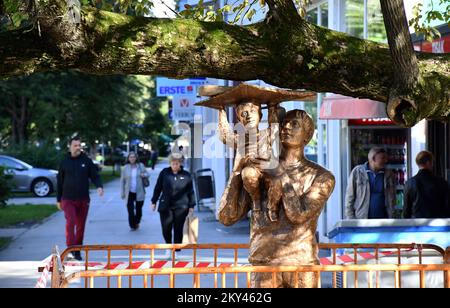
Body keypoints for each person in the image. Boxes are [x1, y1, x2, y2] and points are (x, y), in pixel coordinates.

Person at [218, 110, 335, 288]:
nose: (286, 127)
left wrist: (278, 173)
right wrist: (237, 168)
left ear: (307, 135)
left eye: (294, 124)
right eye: (283, 124)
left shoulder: (322, 176)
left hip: (301, 263)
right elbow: (226, 216)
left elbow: (298, 215)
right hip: (263, 261)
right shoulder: (258, 171)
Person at [218, 100, 282, 222]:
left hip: (269, 169)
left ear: (260, 115)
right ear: (239, 120)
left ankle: (272, 207)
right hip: (251, 170)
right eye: (244, 114)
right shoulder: (240, 139)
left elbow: (274, 127)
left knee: (277, 180)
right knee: (247, 174)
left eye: (253, 112)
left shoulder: (265, 134)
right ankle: (256, 201)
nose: (249, 116)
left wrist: (272, 106)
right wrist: (221, 110)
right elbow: (225, 135)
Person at [57, 136, 104, 261]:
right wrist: (58, 199)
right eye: (75, 145)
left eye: (79, 145)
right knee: (70, 222)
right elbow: (59, 182)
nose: (78, 148)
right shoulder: (64, 162)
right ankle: (70, 249)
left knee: (80, 226)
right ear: (70, 146)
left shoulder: (86, 161)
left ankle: (77, 251)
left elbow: (95, 175)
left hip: (83, 199)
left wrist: (99, 186)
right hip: (67, 199)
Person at [151, 153, 195, 254]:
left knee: (178, 229)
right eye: (173, 163)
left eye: (177, 163)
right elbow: (158, 187)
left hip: (181, 206)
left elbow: (190, 191)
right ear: (170, 163)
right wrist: (153, 201)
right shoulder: (164, 173)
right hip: (165, 205)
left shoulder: (186, 175)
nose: (175, 165)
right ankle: (168, 246)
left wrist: (191, 205)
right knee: (166, 228)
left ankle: (176, 249)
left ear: (180, 164)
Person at [345, 147, 396, 219]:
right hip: (361, 220)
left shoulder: (389, 174)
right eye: (383, 158)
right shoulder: (357, 172)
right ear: (373, 159)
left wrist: (392, 216)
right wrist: (350, 218)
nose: (386, 160)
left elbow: (392, 198)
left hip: (384, 220)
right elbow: (350, 197)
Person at [403, 151, 450, 218]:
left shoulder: (409, 183)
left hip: (416, 225)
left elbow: (406, 210)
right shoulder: (441, 182)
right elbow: (447, 206)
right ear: (428, 163)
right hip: (437, 224)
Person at [120, 152, 149, 230]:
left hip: (139, 192)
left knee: (139, 210)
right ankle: (132, 225)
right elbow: (122, 181)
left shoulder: (140, 166)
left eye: (133, 157)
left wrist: (144, 175)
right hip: (129, 192)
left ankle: (136, 222)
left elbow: (147, 174)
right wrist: (122, 193)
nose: (132, 158)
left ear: (136, 158)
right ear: (128, 158)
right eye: (130, 157)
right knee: (130, 210)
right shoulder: (125, 168)